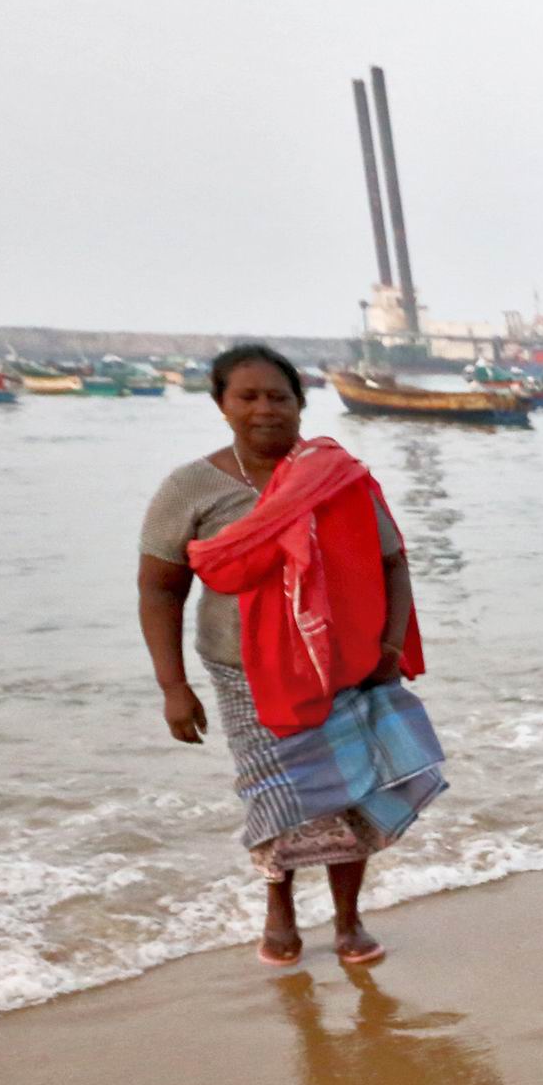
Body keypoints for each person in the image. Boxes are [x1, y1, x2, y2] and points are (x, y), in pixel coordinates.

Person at [135, 344, 448, 966]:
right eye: (246, 396)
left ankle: (349, 921)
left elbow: (392, 565)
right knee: (275, 797)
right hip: (243, 674)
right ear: (221, 406)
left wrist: (390, 644)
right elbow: (159, 588)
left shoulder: (339, 476)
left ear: (301, 403)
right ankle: (279, 911)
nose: (264, 409)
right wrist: (173, 687)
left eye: (278, 396)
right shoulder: (191, 487)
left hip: (345, 666)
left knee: (350, 793)